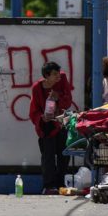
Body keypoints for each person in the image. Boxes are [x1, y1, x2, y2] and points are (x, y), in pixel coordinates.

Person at [29, 61, 73, 195]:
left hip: (61, 123)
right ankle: (49, 185)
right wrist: (42, 118)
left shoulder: (62, 80)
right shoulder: (37, 88)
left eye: (58, 73)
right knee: (48, 156)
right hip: (46, 127)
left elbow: (68, 101)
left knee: (63, 155)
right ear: (46, 76)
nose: (58, 77)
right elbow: (33, 111)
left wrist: (58, 97)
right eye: (54, 74)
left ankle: (60, 184)